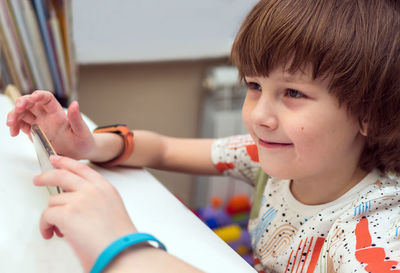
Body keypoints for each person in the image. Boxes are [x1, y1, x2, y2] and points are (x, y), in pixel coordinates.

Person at [6, 0, 400, 272]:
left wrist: (121, 246)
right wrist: (90, 145)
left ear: (368, 112)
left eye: (293, 94)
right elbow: (162, 149)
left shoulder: (374, 234)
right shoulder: (268, 157)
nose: (258, 115)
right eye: (254, 85)